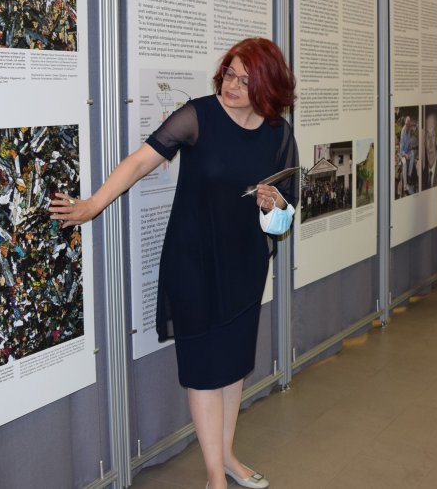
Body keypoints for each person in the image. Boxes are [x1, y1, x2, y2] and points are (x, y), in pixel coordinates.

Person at [51, 38, 297, 489]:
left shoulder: (278, 134)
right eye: (229, 73)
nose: (232, 85)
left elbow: (286, 212)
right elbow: (139, 162)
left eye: (245, 80)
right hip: (193, 263)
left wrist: (274, 203)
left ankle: (227, 457)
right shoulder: (197, 116)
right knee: (203, 369)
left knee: (233, 365)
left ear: (266, 87)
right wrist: (93, 205)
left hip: (244, 266)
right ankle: (214, 475)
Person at [421, 109, 437, 189]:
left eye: (433, 135)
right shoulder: (423, 175)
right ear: (424, 139)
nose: (430, 140)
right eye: (427, 135)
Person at [398, 114, 416, 195]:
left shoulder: (409, 131)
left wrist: (410, 149)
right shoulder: (403, 133)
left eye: (409, 125)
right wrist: (405, 155)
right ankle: (405, 186)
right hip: (401, 153)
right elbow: (401, 150)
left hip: (407, 151)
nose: (408, 126)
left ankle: (409, 175)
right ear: (405, 124)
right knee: (404, 163)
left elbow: (408, 145)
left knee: (413, 153)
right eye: (407, 124)